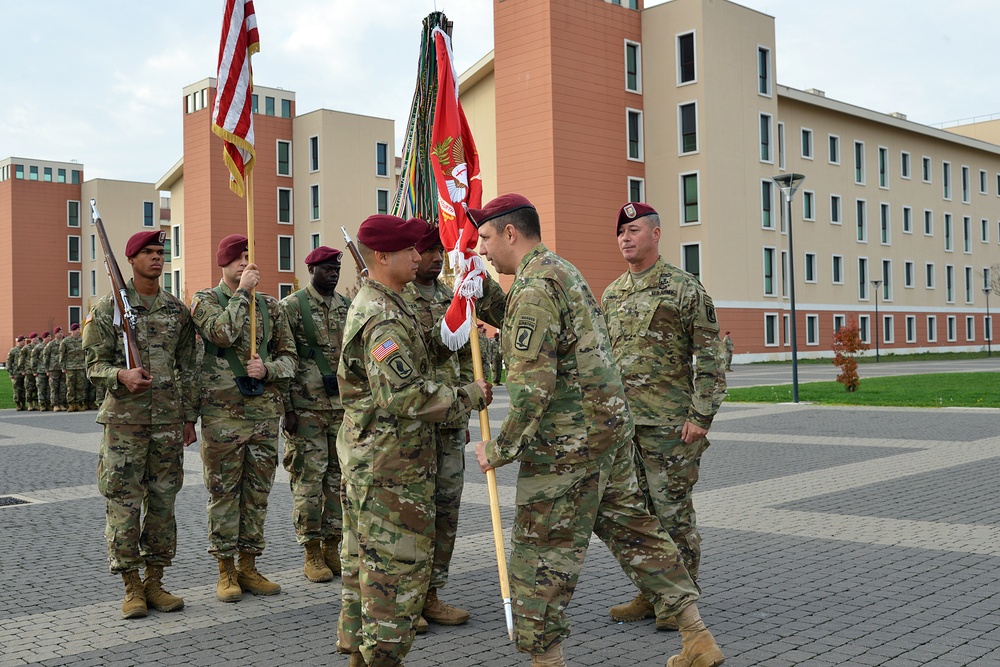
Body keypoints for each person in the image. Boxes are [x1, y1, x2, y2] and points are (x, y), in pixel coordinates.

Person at [472, 194, 724, 667]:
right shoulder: (561, 272)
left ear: (510, 233)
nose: (480, 248)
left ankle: (546, 661)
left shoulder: (534, 288)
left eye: (485, 237)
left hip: (567, 443)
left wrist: (500, 448)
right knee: (637, 531)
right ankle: (697, 636)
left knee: (541, 551)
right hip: (609, 432)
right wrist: (482, 293)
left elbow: (533, 384)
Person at [335, 214, 492, 667]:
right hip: (389, 471)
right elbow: (402, 393)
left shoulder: (392, 302)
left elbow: (422, 349)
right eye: (410, 251)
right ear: (383, 257)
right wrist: (468, 395)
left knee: (379, 575)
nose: (419, 257)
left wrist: (458, 312)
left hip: (390, 464)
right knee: (395, 582)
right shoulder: (380, 317)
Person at [602, 202, 727, 631]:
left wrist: (702, 415)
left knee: (673, 515)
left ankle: (681, 604)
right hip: (626, 428)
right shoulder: (613, 293)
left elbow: (711, 357)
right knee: (638, 516)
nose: (625, 238)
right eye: (621, 232)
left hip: (673, 427)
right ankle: (652, 592)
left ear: (656, 234)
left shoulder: (683, 288)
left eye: (634, 229)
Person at [82, 230, 199, 619]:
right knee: (124, 506)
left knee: (163, 505)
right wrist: (121, 375)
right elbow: (92, 365)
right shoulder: (107, 309)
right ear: (130, 260)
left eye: (160, 253)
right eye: (147, 252)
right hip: (125, 425)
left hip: (167, 422)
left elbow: (188, 366)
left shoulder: (176, 310)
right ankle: (131, 586)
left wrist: (188, 417)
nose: (156, 258)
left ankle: (155, 581)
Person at [191, 234, 297, 603]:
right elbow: (221, 333)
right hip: (223, 417)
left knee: (257, 495)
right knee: (223, 494)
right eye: (236, 258)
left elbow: (290, 358)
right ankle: (225, 570)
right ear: (223, 263)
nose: (243, 264)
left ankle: (249, 565)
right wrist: (242, 294)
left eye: (248, 258)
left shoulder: (271, 306)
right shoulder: (205, 300)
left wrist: (268, 370)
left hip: (264, 416)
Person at [400, 225, 477, 627]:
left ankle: (431, 594)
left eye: (439, 249)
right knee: (413, 513)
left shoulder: (454, 299)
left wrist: (463, 411)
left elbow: (466, 360)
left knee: (445, 510)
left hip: (449, 422)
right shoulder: (398, 301)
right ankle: (406, 601)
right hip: (413, 425)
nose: (434, 257)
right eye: (427, 250)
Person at [279, 246, 351, 583]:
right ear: (312, 270)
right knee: (309, 481)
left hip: (340, 408)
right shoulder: (292, 308)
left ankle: (331, 546)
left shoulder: (347, 307)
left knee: (339, 481)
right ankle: (310, 551)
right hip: (305, 409)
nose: (333, 273)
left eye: (336, 268)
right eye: (326, 268)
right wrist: (286, 409)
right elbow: (283, 359)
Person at [60, 323, 87, 411]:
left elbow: (86, 354)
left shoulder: (82, 340)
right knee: (70, 386)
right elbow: (62, 355)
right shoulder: (66, 341)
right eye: (76, 330)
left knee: (80, 386)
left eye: (79, 329)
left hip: (80, 367)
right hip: (70, 367)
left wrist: (85, 365)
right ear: (72, 330)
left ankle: (78, 403)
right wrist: (63, 366)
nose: (78, 331)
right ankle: (71, 404)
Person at [45, 326, 67, 411]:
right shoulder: (51, 344)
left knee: (63, 387)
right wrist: (47, 369)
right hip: (54, 368)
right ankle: (55, 404)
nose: (61, 333)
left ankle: (62, 403)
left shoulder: (64, 343)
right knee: (54, 387)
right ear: (56, 333)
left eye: (62, 332)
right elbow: (46, 357)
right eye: (59, 332)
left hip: (63, 368)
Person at [32, 331, 52, 411]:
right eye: (47, 337)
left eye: (50, 337)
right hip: (40, 370)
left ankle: (48, 403)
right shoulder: (38, 347)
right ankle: (42, 404)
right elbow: (33, 359)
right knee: (41, 388)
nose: (49, 338)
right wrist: (34, 370)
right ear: (44, 338)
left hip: (50, 370)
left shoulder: (51, 346)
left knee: (48, 388)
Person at [20, 333, 39, 410]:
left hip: (37, 370)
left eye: (37, 338)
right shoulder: (26, 348)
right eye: (34, 338)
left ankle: (36, 404)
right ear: (31, 339)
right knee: (29, 388)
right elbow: (21, 359)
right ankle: (30, 404)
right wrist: (22, 369)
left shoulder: (39, 347)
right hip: (29, 370)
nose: (36, 339)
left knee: (37, 387)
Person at [8, 336, 26, 411]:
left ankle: (24, 404)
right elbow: (9, 362)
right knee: (17, 389)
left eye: (24, 340)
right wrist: (11, 372)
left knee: (24, 388)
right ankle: (18, 404)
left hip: (25, 372)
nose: (23, 342)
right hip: (16, 372)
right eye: (21, 341)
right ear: (18, 341)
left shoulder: (25, 349)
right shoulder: (13, 350)